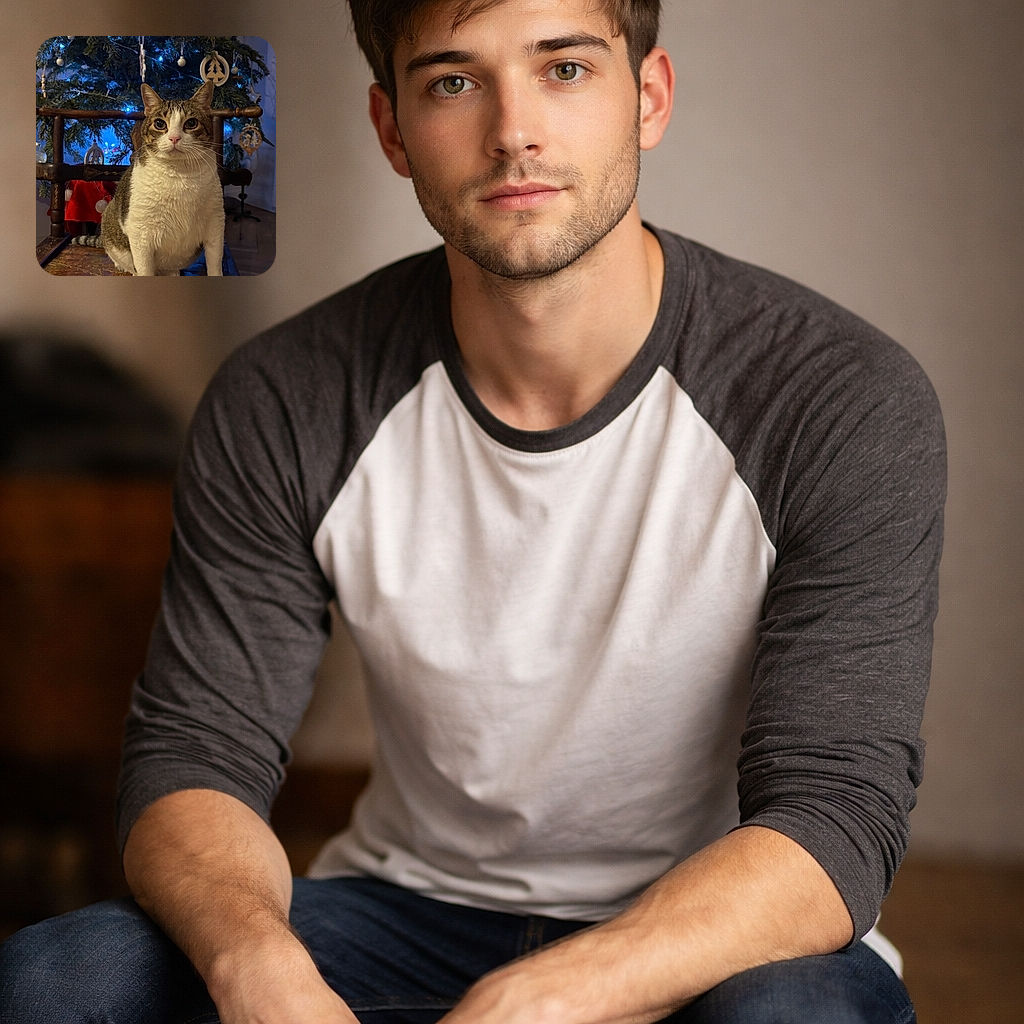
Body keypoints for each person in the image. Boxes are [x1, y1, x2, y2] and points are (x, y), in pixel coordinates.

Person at [0, 1, 945, 1021]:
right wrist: (257, 971)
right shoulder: (289, 394)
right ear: (393, 130)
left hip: (712, 932)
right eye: (454, 80)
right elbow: (197, 755)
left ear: (650, 97)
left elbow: (835, 816)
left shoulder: (836, 395)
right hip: (408, 910)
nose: (513, 131)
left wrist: (544, 997)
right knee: (59, 980)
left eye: (566, 70)